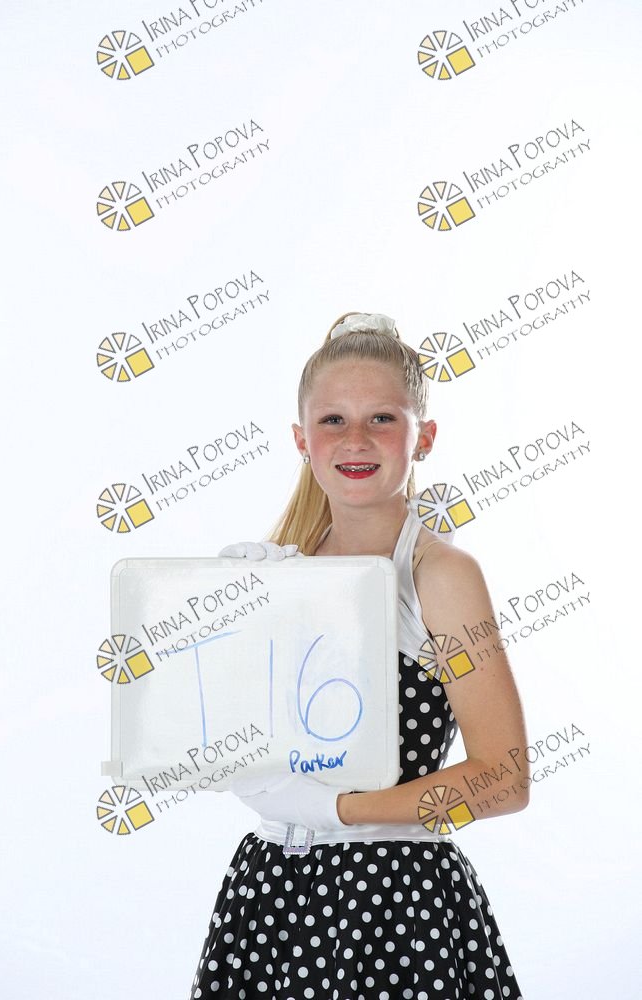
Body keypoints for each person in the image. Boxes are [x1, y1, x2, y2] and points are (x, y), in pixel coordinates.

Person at [188, 311, 529, 1000]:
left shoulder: (438, 577)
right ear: (300, 439)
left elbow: (504, 780)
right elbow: (221, 743)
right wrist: (227, 627)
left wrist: (339, 811)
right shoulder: (280, 574)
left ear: (423, 437)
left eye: (381, 418)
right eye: (332, 420)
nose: (355, 440)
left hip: (393, 899)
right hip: (271, 891)